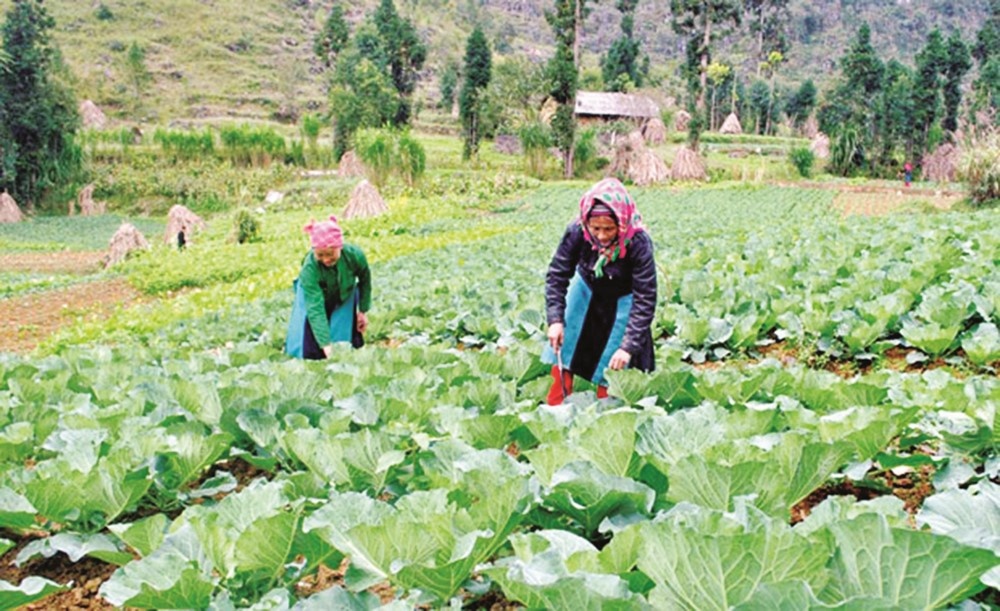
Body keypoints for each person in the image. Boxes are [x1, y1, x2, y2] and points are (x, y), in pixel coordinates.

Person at [542, 177, 657, 405]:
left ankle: (608, 412)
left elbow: (645, 297)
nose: (602, 236)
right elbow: (557, 275)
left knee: (615, 362)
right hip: (586, 289)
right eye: (596, 229)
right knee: (565, 348)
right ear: (587, 223)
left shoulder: (638, 242)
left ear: (621, 223)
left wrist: (627, 347)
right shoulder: (577, 232)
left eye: (609, 229)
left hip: (623, 299)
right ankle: (555, 409)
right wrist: (555, 320)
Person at [285, 215, 371, 359]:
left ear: (340, 247)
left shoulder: (355, 256)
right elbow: (315, 309)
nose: (326, 259)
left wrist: (362, 311)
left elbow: (365, 281)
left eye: (330, 254)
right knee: (308, 342)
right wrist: (326, 346)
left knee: (346, 336)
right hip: (314, 297)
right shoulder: (309, 269)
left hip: (343, 292)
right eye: (320, 255)